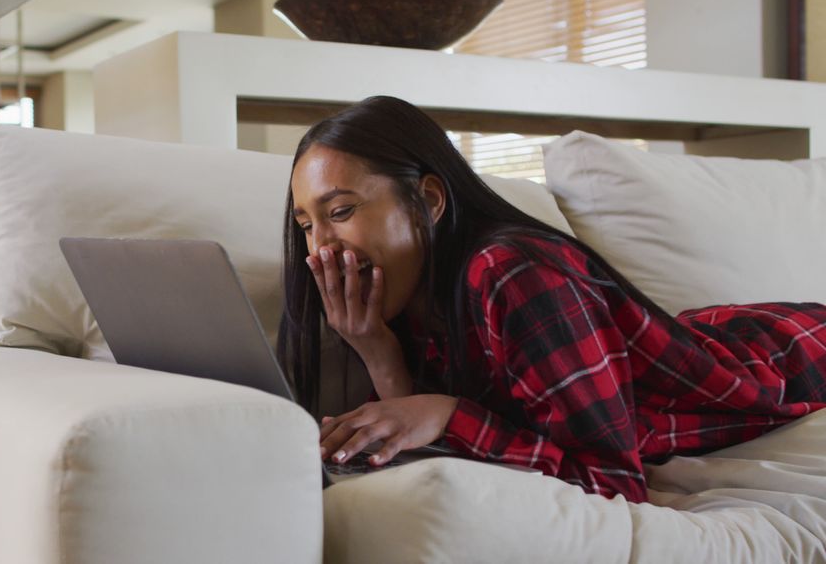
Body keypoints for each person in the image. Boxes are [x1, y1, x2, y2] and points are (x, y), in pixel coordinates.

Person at [277, 95, 826, 503]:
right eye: (306, 224)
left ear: (428, 199)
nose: (321, 248)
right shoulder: (411, 306)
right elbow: (420, 447)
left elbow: (614, 484)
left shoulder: (513, 274)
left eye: (341, 212)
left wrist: (451, 414)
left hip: (796, 354)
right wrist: (376, 350)